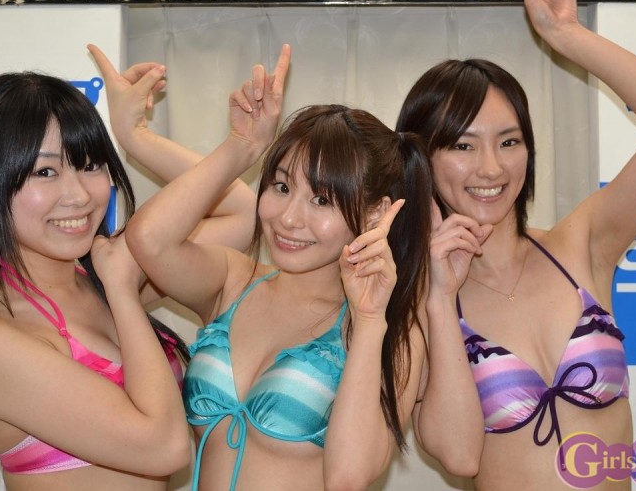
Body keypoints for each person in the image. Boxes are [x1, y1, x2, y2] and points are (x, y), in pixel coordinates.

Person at [397, 0, 636, 490]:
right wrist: (438, 300)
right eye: (463, 146)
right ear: (423, 159)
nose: (491, 168)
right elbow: (457, 456)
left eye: (509, 141)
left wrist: (566, 33)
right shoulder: (415, 298)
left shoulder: (582, 244)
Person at [0, 60, 257, 489]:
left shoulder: (99, 274)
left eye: (90, 164)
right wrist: (121, 289)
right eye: (45, 172)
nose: (79, 195)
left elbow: (243, 216)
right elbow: (165, 446)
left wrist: (136, 138)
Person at [122, 44, 432, 490]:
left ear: (375, 214)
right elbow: (149, 239)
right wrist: (241, 147)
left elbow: (349, 478)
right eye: (282, 187)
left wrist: (368, 321)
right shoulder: (233, 280)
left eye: (321, 199)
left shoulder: (391, 329)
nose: (288, 218)